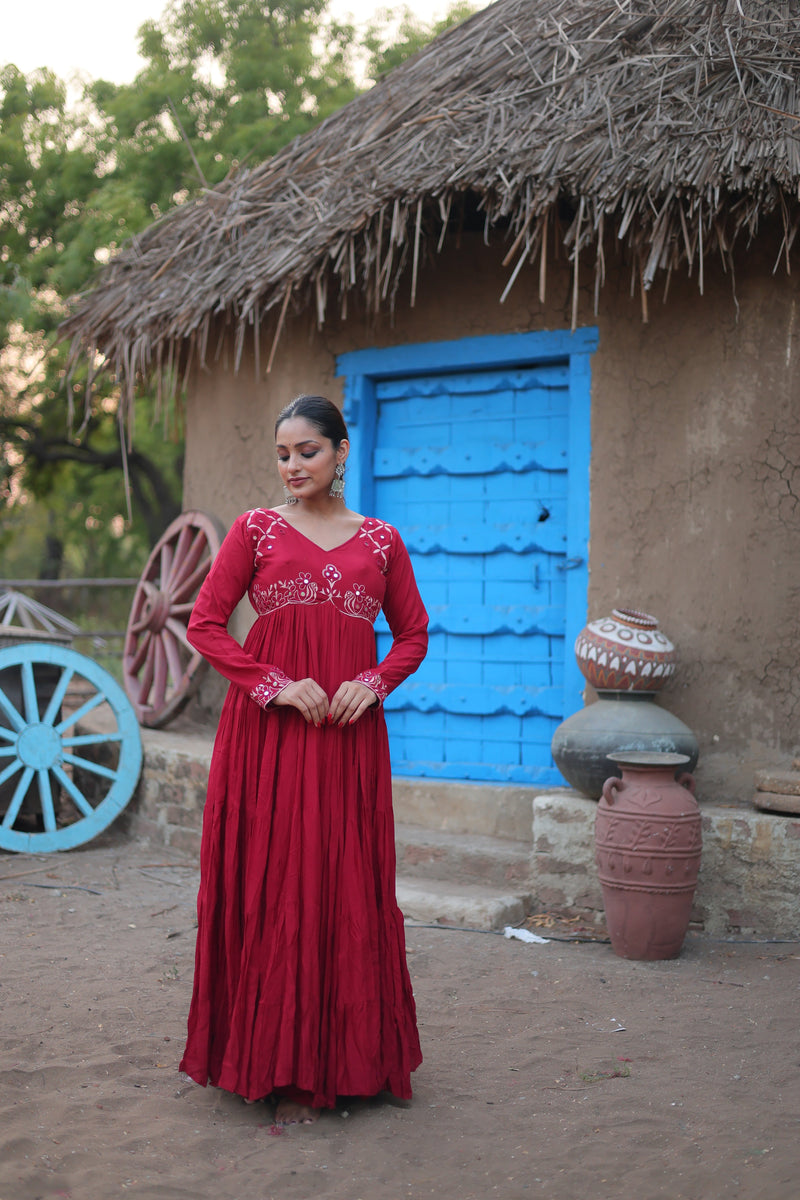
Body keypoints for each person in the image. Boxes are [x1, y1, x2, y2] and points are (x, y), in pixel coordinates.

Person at [179, 393, 429, 1125]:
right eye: (283, 454)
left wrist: (372, 683)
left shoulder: (381, 541)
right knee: (275, 883)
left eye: (308, 451)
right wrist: (276, 686)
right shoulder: (256, 532)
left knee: (345, 883)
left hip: (349, 741)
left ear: (342, 451)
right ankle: (271, 1065)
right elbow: (204, 625)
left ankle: (346, 1063)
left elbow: (412, 634)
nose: (293, 466)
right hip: (269, 738)